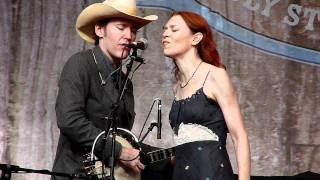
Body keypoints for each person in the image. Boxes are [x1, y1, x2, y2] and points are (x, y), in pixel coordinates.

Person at [51, 0, 157, 179]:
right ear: (99, 30)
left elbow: (123, 139)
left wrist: (169, 155)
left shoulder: (125, 82)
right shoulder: (80, 64)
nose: (129, 36)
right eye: (121, 27)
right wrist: (118, 151)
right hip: (75, 174)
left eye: (133, 30)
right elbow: (69, 120)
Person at [162, 11, 250, 180]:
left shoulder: (215, 76)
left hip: (212, 173)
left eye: (174, 30)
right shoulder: (177, 86)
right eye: (165, 29)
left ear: (195, 38)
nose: (165, 34)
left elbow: (240, 136)